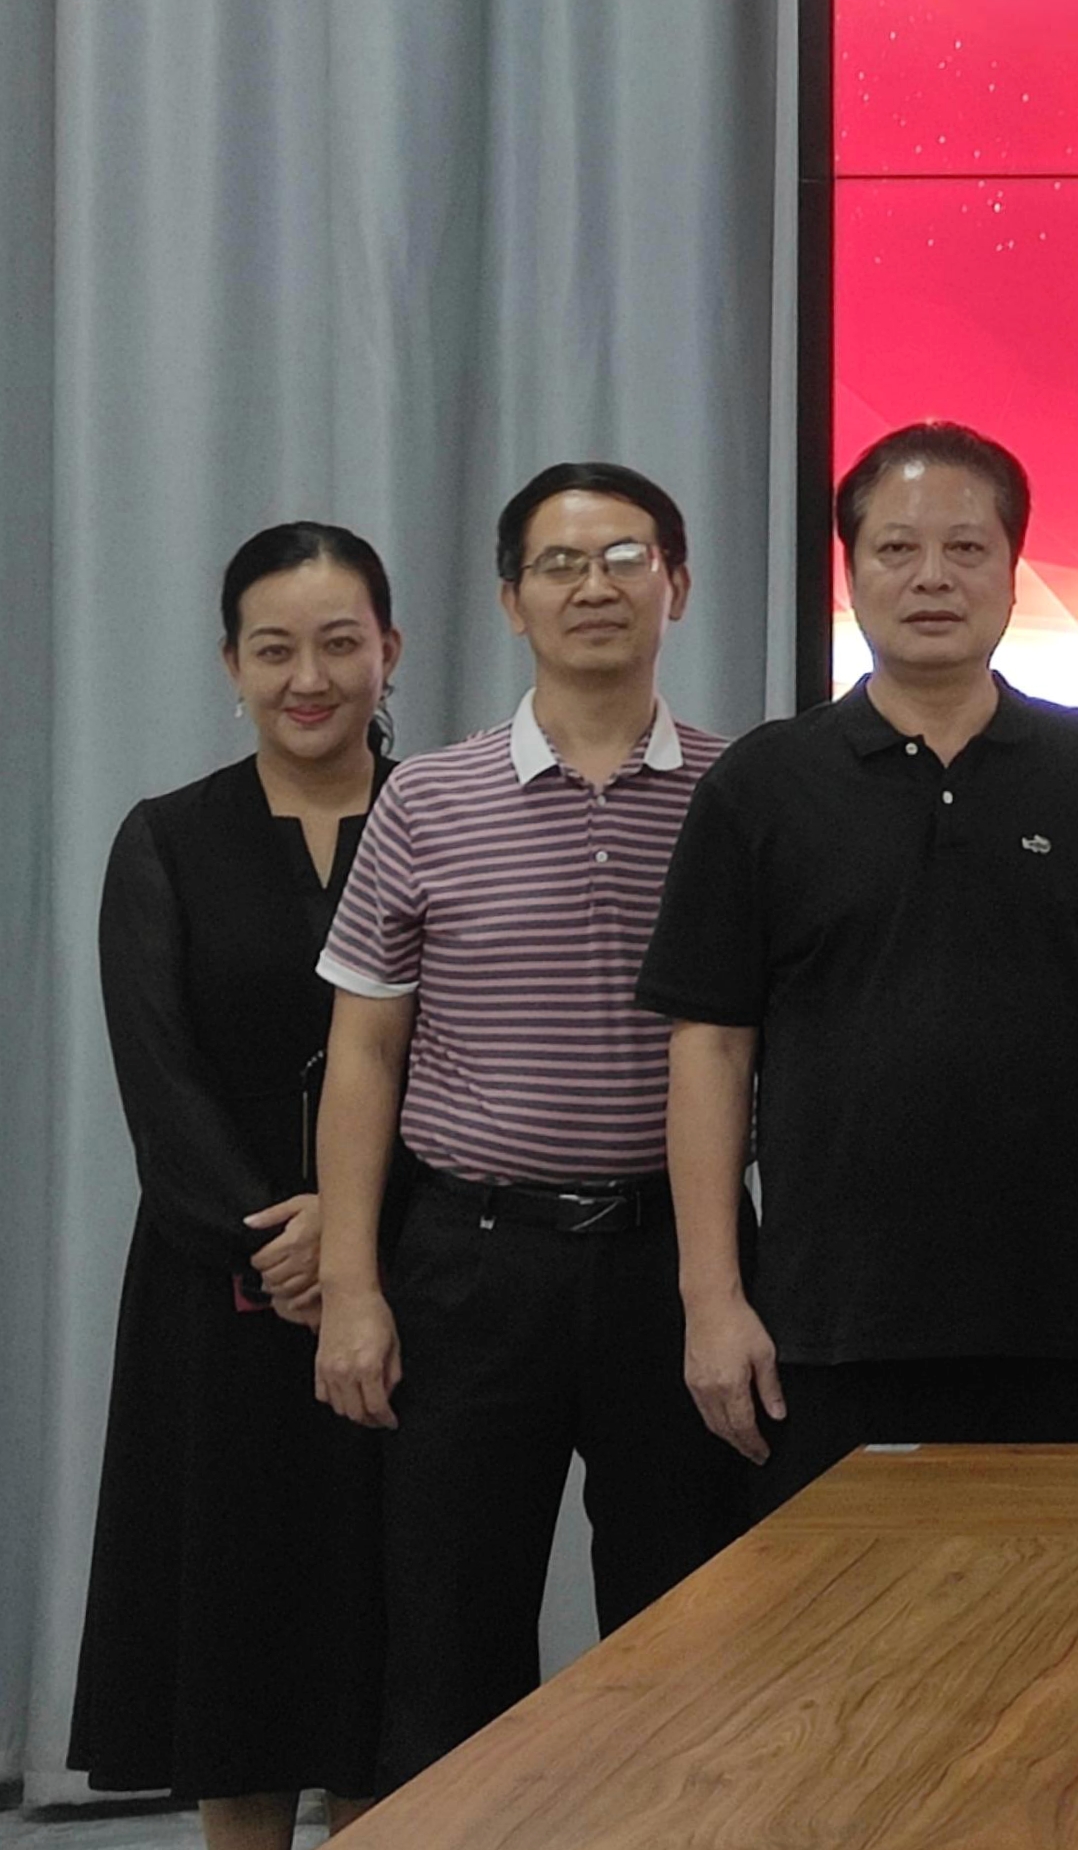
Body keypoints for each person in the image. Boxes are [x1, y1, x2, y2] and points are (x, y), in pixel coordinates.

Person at [641, 423, 1078, 1512]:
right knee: (839, 1615)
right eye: (897, 549)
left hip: (1065, 1317)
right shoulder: (761, 786)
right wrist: (711, 1299)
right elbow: (709, 1048)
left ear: (1014, 569)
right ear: (851, 572)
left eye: (966, 548)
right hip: (828, 1322)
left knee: (1058, 1606)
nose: (932, 577)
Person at [309, 467, 748, 1789]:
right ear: (511, 600)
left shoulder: (744, 792)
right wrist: (351, 1287)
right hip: (472, 1263)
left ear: (677, 584)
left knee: (696, 1622)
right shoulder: (427, 799)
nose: (593, 586)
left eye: (626, 556)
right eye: (559, 563)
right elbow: (363, 1054)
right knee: (449, 1630)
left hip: (680, 1262)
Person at [70, 526, 398, 1850]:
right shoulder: (167, 837)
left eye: (339, 643)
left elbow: (477, 1053)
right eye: (274, 649)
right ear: (231, 665)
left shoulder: (441, 819)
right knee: (235, 1647)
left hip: (409, 1288)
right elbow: (158, 1077)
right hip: (220, 1299)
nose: (307, 677)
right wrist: (283, 1236)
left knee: (390, 1656)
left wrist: (359, 1228)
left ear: (390, 650)